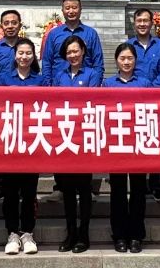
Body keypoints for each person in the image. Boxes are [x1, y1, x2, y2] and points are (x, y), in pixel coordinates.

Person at [50, 35, 101, 252]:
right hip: (64, 137)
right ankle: (71, 233)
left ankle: (83, 234)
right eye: (69, 52)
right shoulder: (59, 75)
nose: (73, 55)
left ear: (83, 52)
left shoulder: (92, 74)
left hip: (84, 136)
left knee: (84, 188)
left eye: (76, 51)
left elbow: (92, 101)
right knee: (68, 190)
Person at [0, 36, 42, 255]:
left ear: (34, 56)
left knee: (30, 191)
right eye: (21, 53)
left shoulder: (40, 81)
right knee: (10, 191)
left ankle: (28, 232)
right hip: (10, 142)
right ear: (14, 56)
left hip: (32, 143)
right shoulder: (3, 79)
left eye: (28, 53)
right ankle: (12, 232)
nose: (24, 56)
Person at [104, 42, 148, 253]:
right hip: (116, 143)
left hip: (139, 142)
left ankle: (137, 235)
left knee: (138, 191)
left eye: (130, 58)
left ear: (135, 60)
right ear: (116, 61)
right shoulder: (108, 84)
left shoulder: (144, 83)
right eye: (122, 58)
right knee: (118, 191)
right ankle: (120, 235)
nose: (126, 62)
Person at [127, 8, 160, 201]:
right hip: (134, 100)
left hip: (156, 99)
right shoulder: (128, 45)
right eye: (139, 21)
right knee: (137, 140)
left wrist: (152, 88)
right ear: (134, 23)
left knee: (155, 141)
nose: (142, 24)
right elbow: (124, 67)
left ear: (152, 23)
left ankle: (156, 183)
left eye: (146, 20)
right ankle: (140, 183)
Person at [0, 9, 24, 201]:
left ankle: (19, 185)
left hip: (21, 105)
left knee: (18, 145)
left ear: (20, 25)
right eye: (6, 23)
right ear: (1, 26)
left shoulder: (25, 47)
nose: (10, 26)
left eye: (14, 23)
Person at [40, 0, 103, 80]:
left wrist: (95, 83)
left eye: (74, 7)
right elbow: (47, 62)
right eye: (67, 8)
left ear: (80, 9)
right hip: (58, 84)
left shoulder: (91, 34)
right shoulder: (53, 34)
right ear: (62, 10)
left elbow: (98, 63)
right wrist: (48, 85)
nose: (71, 11)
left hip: (85, 84)